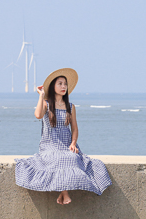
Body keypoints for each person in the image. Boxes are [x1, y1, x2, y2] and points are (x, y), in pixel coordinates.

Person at [15, 68, 112, 204]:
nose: (63, 86)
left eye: (65, 84)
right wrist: (41, 95)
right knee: (57, 158)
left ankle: (62, 194)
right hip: (49, 144)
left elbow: (75, 128)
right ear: (53, 86)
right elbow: (38, 115)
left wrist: (73, 143)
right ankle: (65, 193)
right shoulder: (47, 104)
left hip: (66, 144)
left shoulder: (70, 107)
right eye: (60, 83)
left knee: (71, 158)